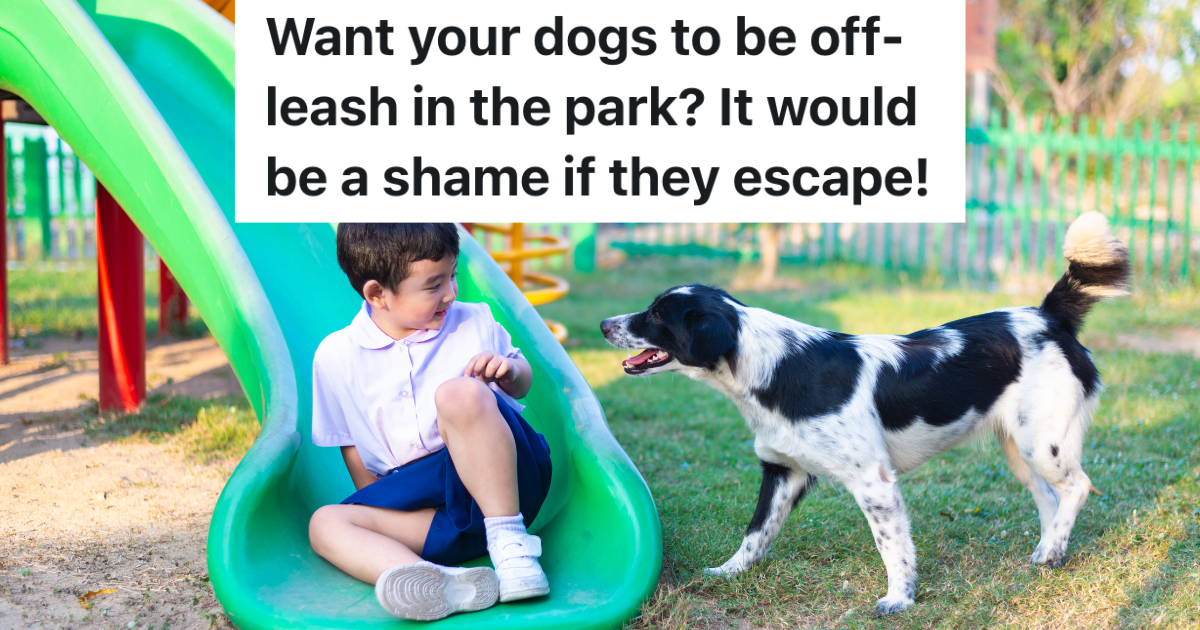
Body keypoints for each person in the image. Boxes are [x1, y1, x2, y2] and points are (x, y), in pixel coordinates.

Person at [307, 223, 553, 621]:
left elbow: (522, 382)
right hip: (429, 511)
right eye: (434, 284)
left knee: (459, 393)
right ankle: (439, 581)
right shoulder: (335, 356)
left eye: (453, 275)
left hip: (504, 482)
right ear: (377, 294)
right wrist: (380, 508)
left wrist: (508, 370)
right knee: (325, 523)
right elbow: (350, 444)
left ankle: (511, 547)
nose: (452, 293)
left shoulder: (473, 321)